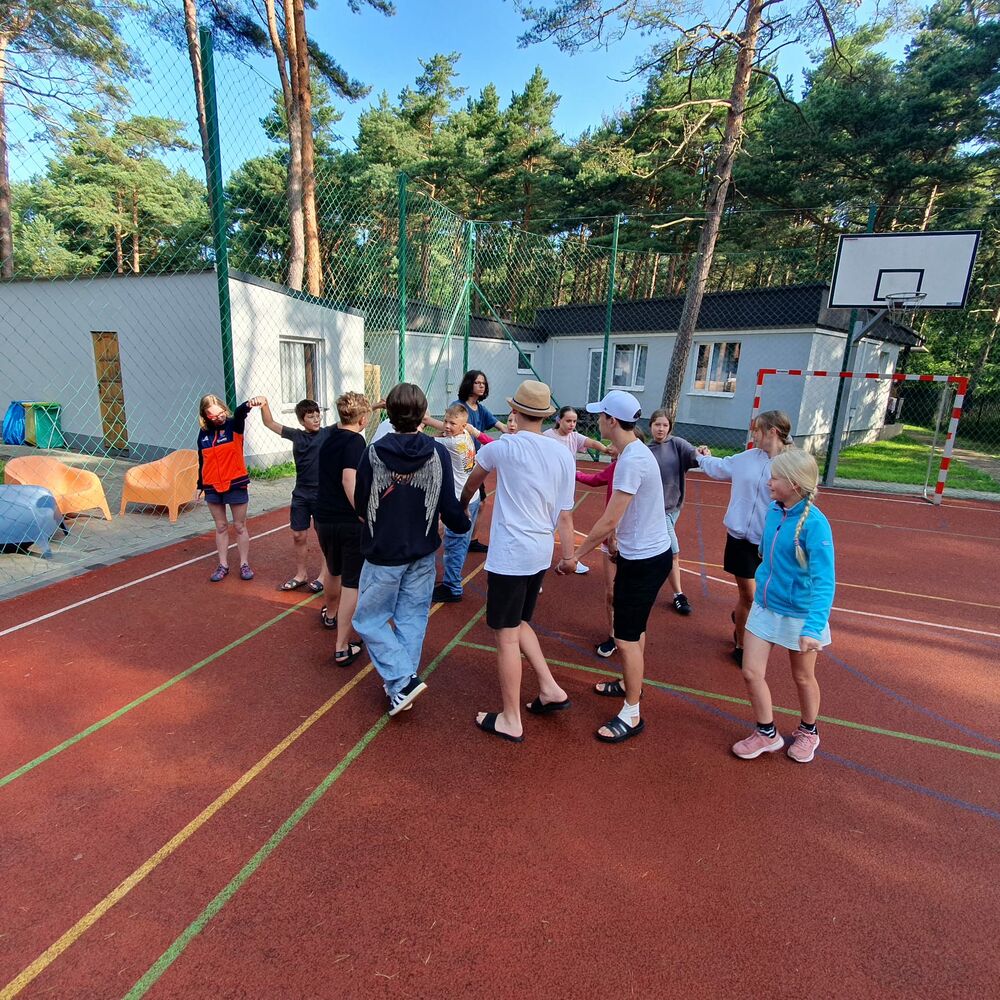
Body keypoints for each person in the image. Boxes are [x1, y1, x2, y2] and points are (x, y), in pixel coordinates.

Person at [461, 379, 575, 743]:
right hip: (540, 550)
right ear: (545, 416)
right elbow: (565, 513)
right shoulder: (562, 453)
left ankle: (511, 718)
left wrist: (460, 509)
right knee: (520, 622)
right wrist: (569, 555)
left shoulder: (503, 447)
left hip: (511, 554)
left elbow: (472, 482)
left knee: (506, 636)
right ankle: (549, 687)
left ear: (514, 411)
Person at [352, 383, 470, 716]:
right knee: (412, 618)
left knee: (368, 620)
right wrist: (462, 524)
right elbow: (448, 504)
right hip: (422, 551)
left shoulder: (373, 452)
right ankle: (401, 684)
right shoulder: (437, 452)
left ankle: (400, 681)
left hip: (384, 552)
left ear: (389, 413)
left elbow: (362, 502)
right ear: (423, 414)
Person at [562, 390, 671, 744]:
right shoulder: (634, 453)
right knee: (634, 631)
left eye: (600, 416)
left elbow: (609, 519)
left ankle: (632, 711)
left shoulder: (631, 461)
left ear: (611, 421)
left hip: (644, 562)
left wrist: (575, 556)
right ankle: (629, 683)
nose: (597, 421)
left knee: (625, 639)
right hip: (646, 556)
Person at [731, 450, 834, 764]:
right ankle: (766, 732)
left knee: (802, 677)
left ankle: (809, 731)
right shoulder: (774, 511)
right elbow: (766, 553)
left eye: (775, 478)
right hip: (766, 606)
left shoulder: (816, 525)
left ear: (794, 484)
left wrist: (813, 627)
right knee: (751, 671)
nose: (769, 483)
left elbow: (824, 582)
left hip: (799, 615)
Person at [695, 410, 793, 666]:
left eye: (757, 430)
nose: (753, 435)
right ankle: (741, 644)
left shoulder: (790, 464)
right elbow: (719, 468)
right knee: (749, 596)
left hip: (769, 542)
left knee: (764, 597)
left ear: (772, 432)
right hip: (740, 540)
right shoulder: (746, 458)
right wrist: (702, 457)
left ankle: (741, 616)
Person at [314, 391, 372, 666]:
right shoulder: (356, 442)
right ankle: (341, 645)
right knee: (352, 581)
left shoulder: (328, 439)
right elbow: (349, 479)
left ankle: (330, 614)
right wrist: (362, 513)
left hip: (323, 517)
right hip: (347, 520)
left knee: (332, 568)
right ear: (363, 420)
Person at [254, 396, 330, 594]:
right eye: (310, 416)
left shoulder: (327, 433)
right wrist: (264, 404)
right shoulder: (296, 435)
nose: (316, 419)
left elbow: (351, 419)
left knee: (324, 536)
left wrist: (374, 406)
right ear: (301, 420)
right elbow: (269, 423)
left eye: (318, 415)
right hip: (301, 494)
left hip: (322, 494)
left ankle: (323, 576)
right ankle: (301, 575)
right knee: (298, 535)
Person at [196, 394, 261, 583]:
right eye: (213, 416)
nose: (219, 418)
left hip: (235, 483)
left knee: (239, 526)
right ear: (205, 416)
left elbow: (240, 413)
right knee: (221, 526)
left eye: (221, 413)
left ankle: (244, 564)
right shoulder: (203, 433)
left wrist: (249, 404)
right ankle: (223, 565)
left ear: (225, 409)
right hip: (212, 485)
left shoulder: (234, 425)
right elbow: (202, 460)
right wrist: (200, 485)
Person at [544, 405, 610, 575]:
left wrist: (605, 449)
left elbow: (592, 442)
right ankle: (551, 558)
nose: (572, 424)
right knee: (550, 521)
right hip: (549, 485)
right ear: (559, 420)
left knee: (564, 518)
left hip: (566, 486)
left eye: (574, 421)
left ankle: (569, 558)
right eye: (568, 421)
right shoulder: (548, 436)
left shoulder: (574, 437)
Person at [647, 409, 700, 616]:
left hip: (674, 507)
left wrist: (702, 452)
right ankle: (679, 594)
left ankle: (650, 580)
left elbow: (694, 456)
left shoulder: (677, 444)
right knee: (673, 551)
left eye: (664, 425)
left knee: (659, 549)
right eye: (657, 424)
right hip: (656, 511)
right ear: (650, 426)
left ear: (669, 427)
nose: (660, 429)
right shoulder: (646, 450)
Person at [431, 404, 485, 604]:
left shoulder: (451, 443)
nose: (446, 426)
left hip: (461, 501)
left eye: (452, 423)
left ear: (462, 426)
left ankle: (452, 588)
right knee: (459, 544)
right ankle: (451, 583)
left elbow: (426, 440)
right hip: (472, 497)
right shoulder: (465, 435)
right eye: (445, 421)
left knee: (454, 546)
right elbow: (444, 429)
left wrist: (425, 423)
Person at [453, 370, 507, 553]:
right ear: (469, 384)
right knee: (463, 502)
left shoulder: (481, 409)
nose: (482, 385)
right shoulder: (459, 407)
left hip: (475, 462)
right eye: (477, 382)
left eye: (483, 383)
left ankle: (470, 539)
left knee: (481, 503)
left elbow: (501, 426)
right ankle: (458, 537)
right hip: (461, 463)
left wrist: (516, 432)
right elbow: (448, 428)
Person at [574, 444, 620, 656]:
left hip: (634, 543)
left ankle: (629, 634)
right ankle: (613, 635)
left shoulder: (641, 469)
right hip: (611, 538)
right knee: (611, 592)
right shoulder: (615, 468)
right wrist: (573, 472)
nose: (610, 449)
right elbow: (593, 480)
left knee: (629, 593)